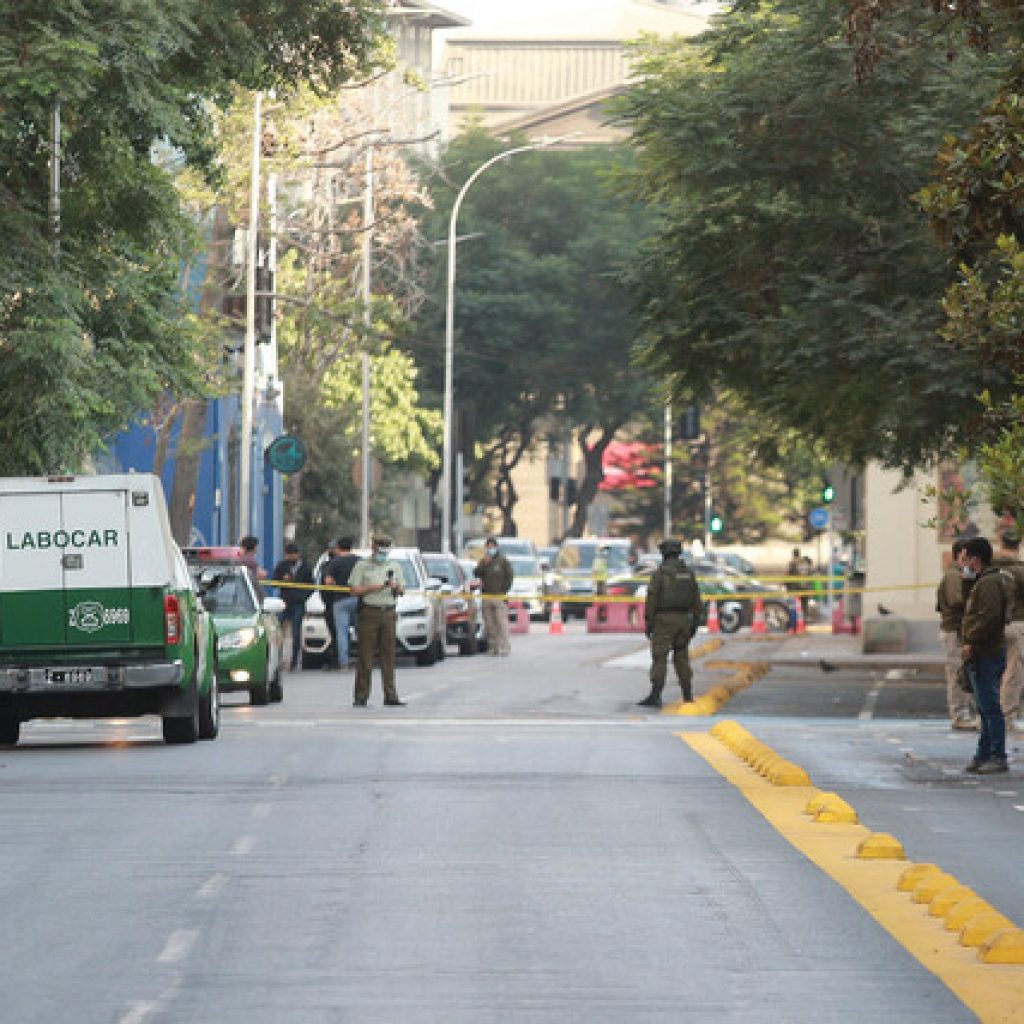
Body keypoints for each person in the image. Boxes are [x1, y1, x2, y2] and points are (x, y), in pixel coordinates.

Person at [961, 537, 1009, 773]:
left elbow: (988, 617)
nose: (963, 562)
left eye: (966, 558)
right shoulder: (982, 581)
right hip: (984, 650)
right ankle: (983, 753)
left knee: (990, 706)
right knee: (984, 705)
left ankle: (997, 755)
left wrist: (972, 640)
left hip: (986, 651)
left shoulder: (989, 583)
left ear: (976, 559)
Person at [638, 538, 702, 709]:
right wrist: (694, 623)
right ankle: (687, 695)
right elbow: (697, 601)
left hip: (664, 621)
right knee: (682, 658)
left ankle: (656, 694)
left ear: (664, 553)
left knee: (660, 658)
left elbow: (652, 599)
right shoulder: (688, 573)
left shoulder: (660, 574)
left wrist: (649, 623)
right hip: (684, 621)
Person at [348, 535, 407, 706]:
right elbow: (353, 590)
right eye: (381, 551)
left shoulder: (394, 566)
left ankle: (391, 695)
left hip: (388, 612)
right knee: (365, 655)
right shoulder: (362, 566)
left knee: (388, 656)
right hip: (369, 612)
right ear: (373, 548)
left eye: (386, 552)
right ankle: (361, 696)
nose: (383, 555)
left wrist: (396, 588)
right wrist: (373, 588)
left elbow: (402, 588)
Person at [936, 538, 975, 729]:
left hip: (962, 630)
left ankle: (967, 713)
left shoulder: (963, 575)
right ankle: (959, 715)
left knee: (967, 673)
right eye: (965, 557)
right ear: (957, 557)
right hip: (953, 630)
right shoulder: (953, 576)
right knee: (956, 673)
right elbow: (957, 601)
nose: (969, 561)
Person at [994, 530, 1024, 737]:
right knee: (1014, 672)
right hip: (1016, 623)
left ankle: (985, 716)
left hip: (990, 624)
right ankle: (1007, 717)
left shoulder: (989, 568)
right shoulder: (1020, 570)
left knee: (990, 671)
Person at [271, 542, 314, 671]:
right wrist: (282, 581)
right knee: (278, 631)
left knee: (296, 632)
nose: (291, 558)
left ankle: (294, 661)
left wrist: (303, 596)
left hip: (298, 604)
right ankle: (277, 660)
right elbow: (274, 582)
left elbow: (311, 585)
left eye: (293, 555)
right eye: (288, 555)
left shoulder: (305, 567)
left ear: (298, 555)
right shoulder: (281, 566)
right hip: (284, 602)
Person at [322, 536, 360, 669]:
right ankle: (364, 660)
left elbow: (328, 582)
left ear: (338, 547)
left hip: (340, 600)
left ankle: (344, 662)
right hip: (358, 599)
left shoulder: (334, 562)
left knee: (341, 632)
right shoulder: (359, 561)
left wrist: (336, 585)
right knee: (360, 630)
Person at [475, 537, 514, 656]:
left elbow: (509, 577)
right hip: (486, 596)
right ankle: (493, 647)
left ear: (496, 547)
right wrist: (485, 563)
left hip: (499, 596)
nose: (490, 549)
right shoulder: (484, 561)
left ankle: (504, 647)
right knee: (489, 624)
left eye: (492, 547)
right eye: (488, 547)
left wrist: (504, 590)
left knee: (501, 623)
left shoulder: (502, 561)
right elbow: (477, 573)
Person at [238, 535, 266, 601]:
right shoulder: (251, 560)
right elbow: (260, 575)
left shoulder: (240, 558)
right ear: (254, 547)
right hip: (251, 593)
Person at [592, 544, 610, 622]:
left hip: (603, 582)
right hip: (599, 583)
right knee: (600, 601)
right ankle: (600, 617)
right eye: (603, 550)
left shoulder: (603, 560)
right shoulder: (598, 560)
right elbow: (595, 571)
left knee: (604, 601)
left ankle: (603, 616)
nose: (605, 552)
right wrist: (595, 581)